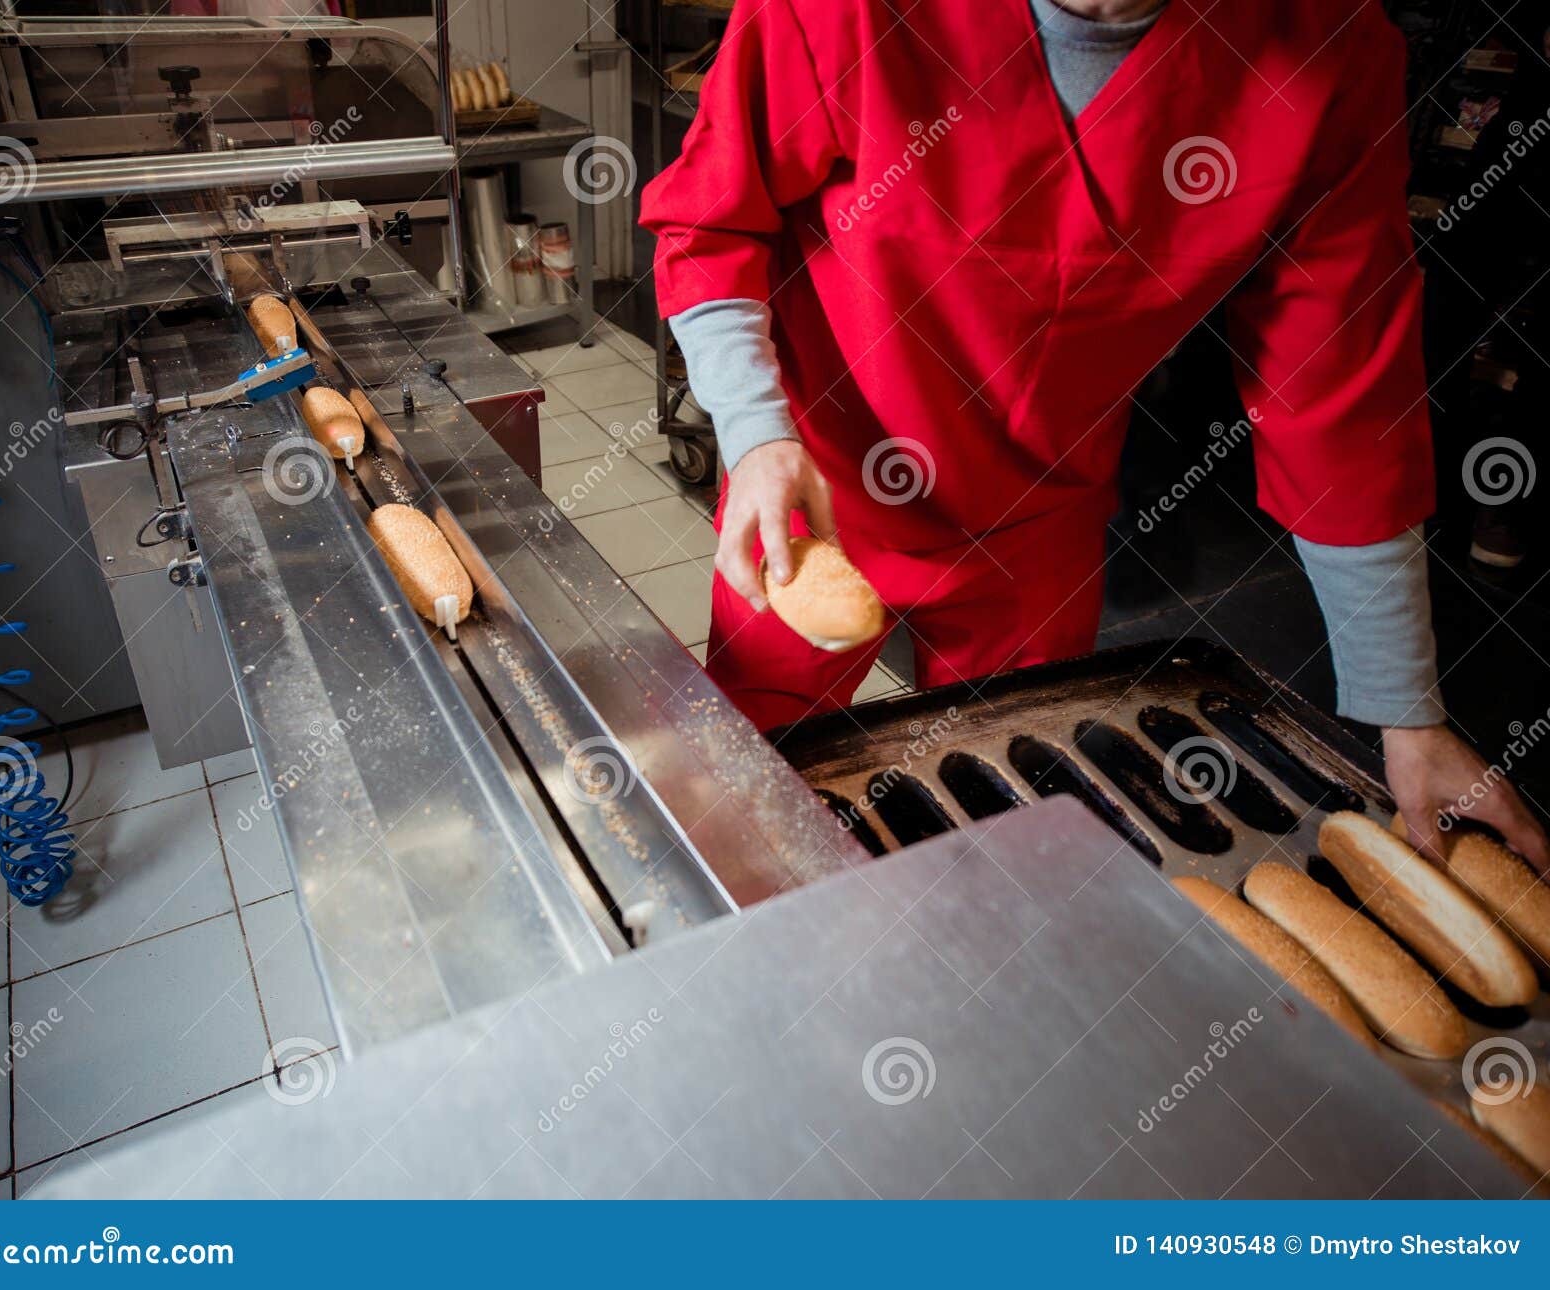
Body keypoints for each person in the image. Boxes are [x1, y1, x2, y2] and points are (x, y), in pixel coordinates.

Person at [640, 0, 1550, 868]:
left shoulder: (1320, 48)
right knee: (754, 790)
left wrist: (1408, 715)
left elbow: (1341, 389)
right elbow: (714, 214)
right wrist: (755, 434)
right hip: (818, 483)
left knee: (1004, 812)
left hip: (1039, 518)